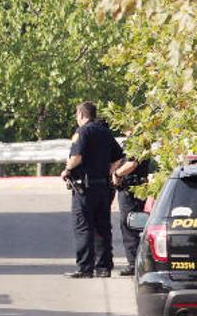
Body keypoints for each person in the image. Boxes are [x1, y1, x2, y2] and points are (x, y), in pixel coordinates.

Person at [60, 101, 124, 278]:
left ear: (81, 115)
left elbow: (77, 157)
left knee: (83, 227)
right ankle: (103, 267)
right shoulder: (105, 132)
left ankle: (85, 268)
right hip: (103, 187)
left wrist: (67, 170)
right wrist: (107, 171)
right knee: (102, 227)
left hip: (84, 188)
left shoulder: (82, 132)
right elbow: (119, 157)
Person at [111, 143, 154, 276]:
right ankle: (137, 262)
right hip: (134, 187)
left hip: (132, 188)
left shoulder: (138, 140)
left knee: (130, 224)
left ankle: (134, 264)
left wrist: (117, 174)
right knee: (134, 224)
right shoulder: (138, 139)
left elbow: (132, 164)